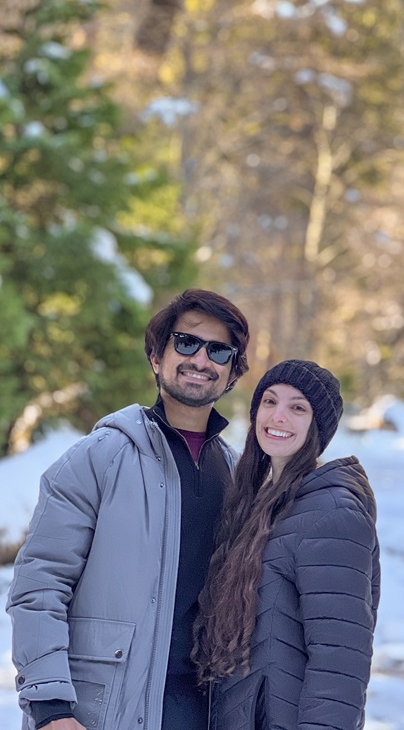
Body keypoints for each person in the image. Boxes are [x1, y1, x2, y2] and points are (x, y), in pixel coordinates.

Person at [7, 287, 250, 730]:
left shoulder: (236, 475)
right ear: (157, 356)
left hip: (203, 713)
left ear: (232, 373)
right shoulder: (99, 457)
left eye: (219, 351)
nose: (200, 359)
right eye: (187, 342)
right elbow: (39, 587)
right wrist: (50, 708)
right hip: (100, 713)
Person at [193, 359, 380, 730]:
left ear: (317, 427)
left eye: (297, 408)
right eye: (269, 401)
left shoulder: (332, 515)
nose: (278, 417)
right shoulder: (260, 503)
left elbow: (340, 662)